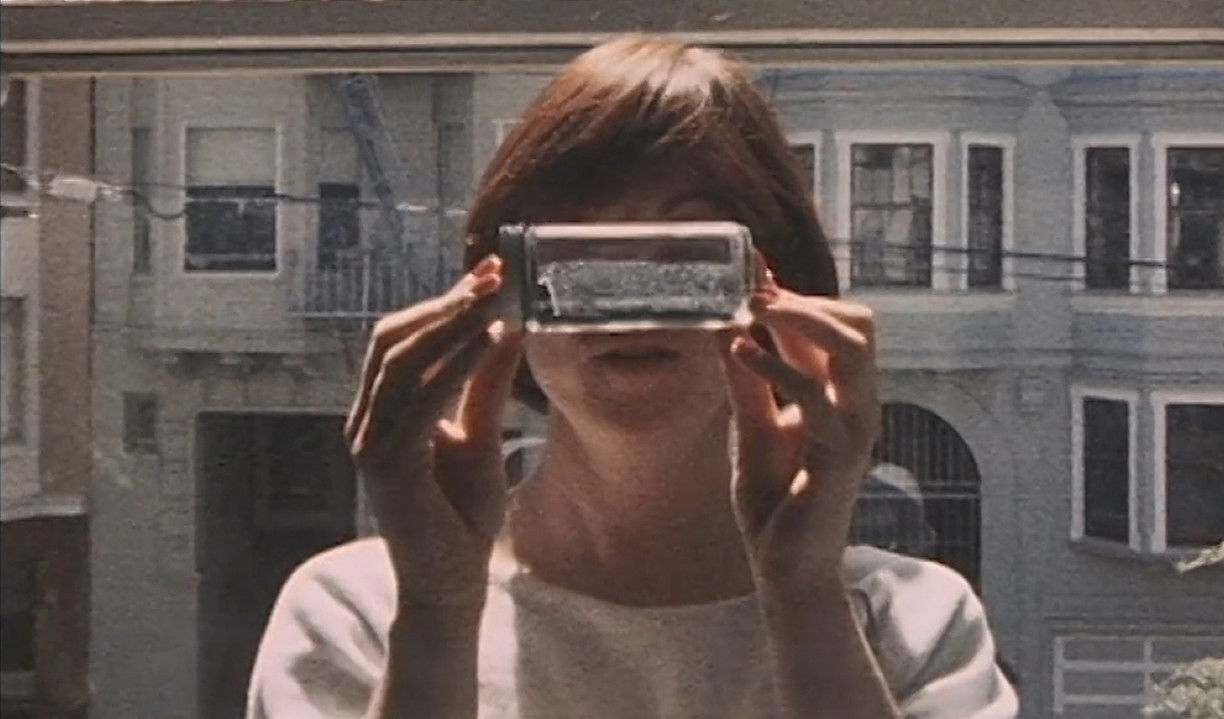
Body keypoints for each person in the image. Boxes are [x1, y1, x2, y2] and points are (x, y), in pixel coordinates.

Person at [246, 35, 1019, 719]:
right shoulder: (359, 608)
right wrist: (438, 609)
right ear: (505, 285)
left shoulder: (912, 622)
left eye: (687, 254)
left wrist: (804, 595)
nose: (630, 303)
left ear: (772, 286)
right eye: (578, 257)